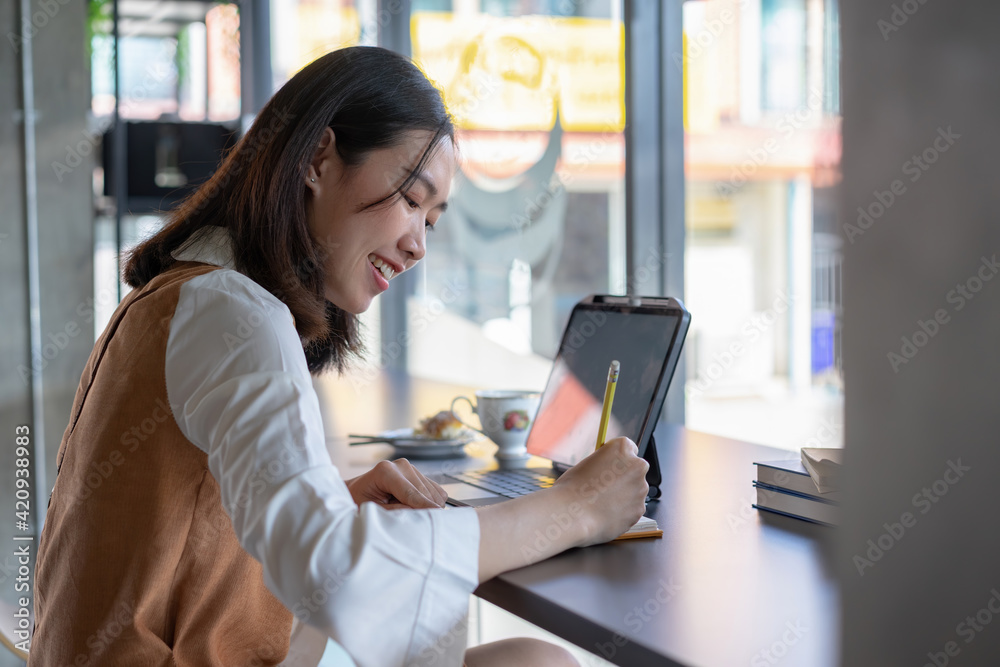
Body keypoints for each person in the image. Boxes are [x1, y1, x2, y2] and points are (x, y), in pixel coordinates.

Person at [29, 46, 649, 666]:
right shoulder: (233, 314)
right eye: (411, 199)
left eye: (431, 222)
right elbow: (335, 568)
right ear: (319, 158)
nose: (417, 246)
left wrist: (336, 501)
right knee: (537, 663)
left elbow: (181, 524)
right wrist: (573, 509)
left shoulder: (181, 291)